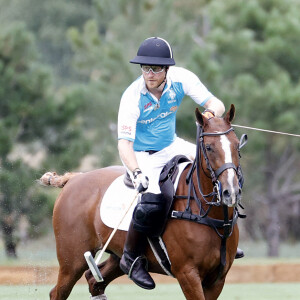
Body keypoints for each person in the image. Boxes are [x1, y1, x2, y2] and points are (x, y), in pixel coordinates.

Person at [117, 37, 242, 290]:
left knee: (222, 168)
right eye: (145, 68)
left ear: (167, 70)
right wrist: (136, 171)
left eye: (156, 69)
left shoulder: (182, 79)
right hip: (144, 154)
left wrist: (210, 113)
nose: (149, 74)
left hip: (172, 145)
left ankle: (224, 238)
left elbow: (215, 104)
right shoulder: (132, 96)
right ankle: (131, 258)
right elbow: (124, 145)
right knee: (155, 200)